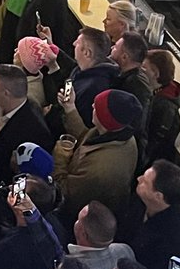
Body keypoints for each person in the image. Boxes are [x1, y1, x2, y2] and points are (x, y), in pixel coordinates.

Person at [54, 88, 144, 219]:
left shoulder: (100, 169)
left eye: (97, 107)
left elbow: (66, 194)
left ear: (105, 119)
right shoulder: (120, 134)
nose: (92, 106)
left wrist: (59, 158)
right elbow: (85, 137)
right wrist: (70, 108)